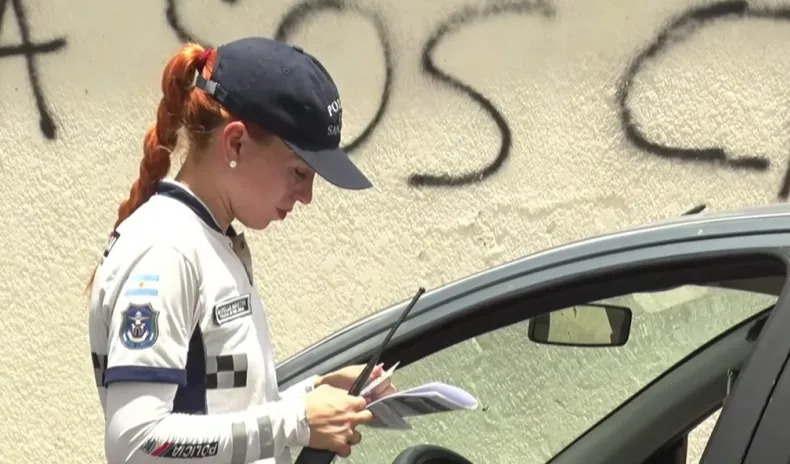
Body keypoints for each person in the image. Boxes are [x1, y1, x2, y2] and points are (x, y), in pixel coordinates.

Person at [86, 36, 396, 464]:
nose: (307, 196)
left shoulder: (208, 238)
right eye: (299, 172)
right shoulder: (167, 248)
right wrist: (296, 421)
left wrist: (312, 396)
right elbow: (136, 440)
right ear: (235, 144)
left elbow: (214, 410)